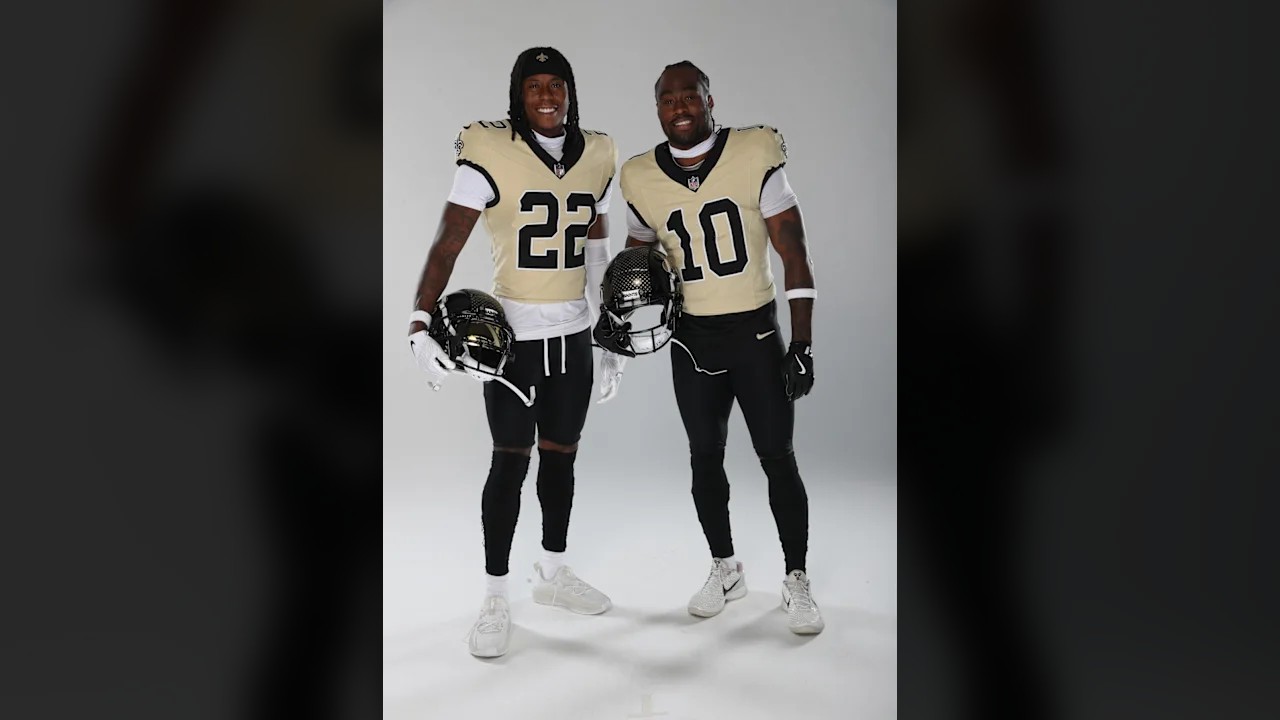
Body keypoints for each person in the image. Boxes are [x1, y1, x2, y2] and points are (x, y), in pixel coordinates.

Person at [408, 47, 626, 658]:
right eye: (534, 86)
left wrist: (607, 330)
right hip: (514, 339)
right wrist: (419, 322)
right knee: (509, 463)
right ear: (518, 94)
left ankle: (552, 573)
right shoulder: (489, 147)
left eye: (556, 84)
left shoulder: (599, 152)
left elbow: (597, 248)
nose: (546, 96)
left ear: (570, 91)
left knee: (562, 459)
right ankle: (495, 595)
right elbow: (448, 241)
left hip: (574, 334)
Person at [606, 60, 823, 634]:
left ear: (709, 99)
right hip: (692, 340)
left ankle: (796, 576)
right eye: (667, 99)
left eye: (689, 95)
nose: (679, 107)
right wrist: (618, 314)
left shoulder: (754, 151)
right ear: (657, 108)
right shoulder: (640, 176)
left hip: (754, 334)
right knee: (704, 458)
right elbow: (640, 257)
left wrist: (802, 342)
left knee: (777, 457)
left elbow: (794, 252)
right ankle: (725, 568)